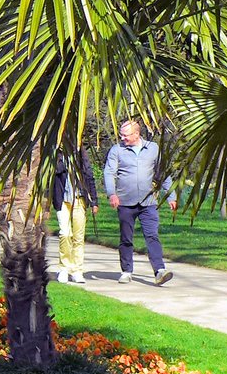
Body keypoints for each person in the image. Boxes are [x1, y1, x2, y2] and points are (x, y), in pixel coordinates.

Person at [102, 118, 176, 285]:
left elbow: (163, 173)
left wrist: (170, 196)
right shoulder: (117, 150)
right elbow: (109, 173)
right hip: (125, 202)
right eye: (121, 135)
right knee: (126, 238)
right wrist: (111, 194)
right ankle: (126, 271)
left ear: (136, 134)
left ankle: (159, 271)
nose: (123, 138)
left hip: (148, 202)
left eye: (126, 135)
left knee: (152, 236)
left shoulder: (153, 148)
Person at [52, 147, 98, 284]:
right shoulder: (56, 155)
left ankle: (77, 270)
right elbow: (55, 172)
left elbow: (89, 176)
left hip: (79, 198)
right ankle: (64, 268)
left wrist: (94, 200)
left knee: (78, 236)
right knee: (65, 233)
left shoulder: (81, 156)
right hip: (63, 199)